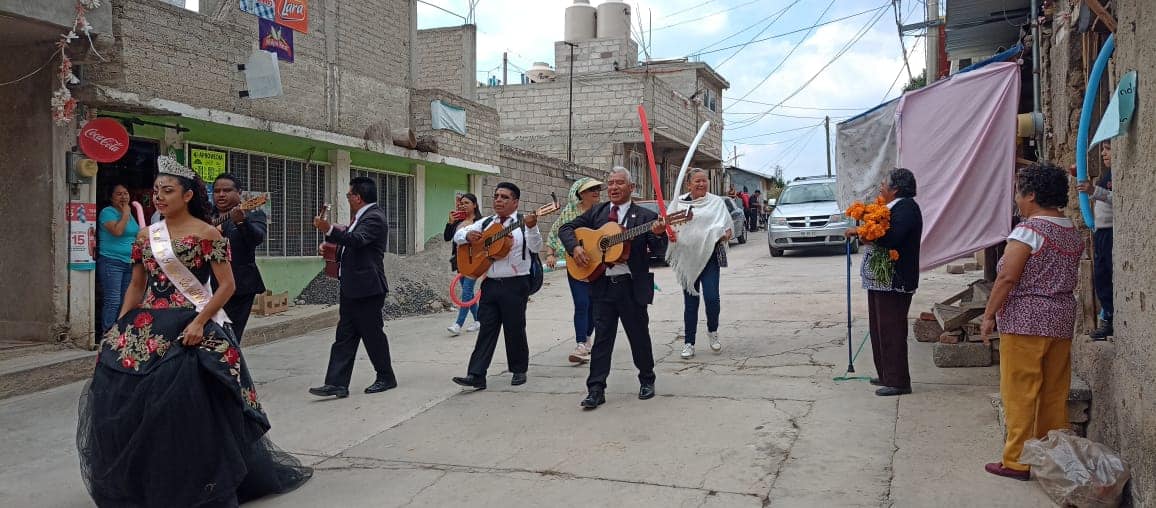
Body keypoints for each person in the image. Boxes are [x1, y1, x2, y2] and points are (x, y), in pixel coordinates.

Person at [77, 156, 311, 507]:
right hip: (148, 324)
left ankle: (198, 478)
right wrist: (119, 326)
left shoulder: (207, 233)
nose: (159, 197)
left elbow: (227, 286)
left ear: (187, 195)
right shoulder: (145, 236)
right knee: (125, 394)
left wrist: (201, 322)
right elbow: (137, 285)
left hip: (192, 319)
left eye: (168, 191)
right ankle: (144, 477)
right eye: (156, 191)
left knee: (187, 402)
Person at [980, 163, 1083, 481]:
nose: (1016, 199)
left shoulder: (1028, 231)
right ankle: (1050, 455)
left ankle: (1017, 461)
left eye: (1018, 192)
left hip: (1026, 321)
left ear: (1032, 195)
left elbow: (1008, 276)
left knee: (1020, 391)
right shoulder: (1070, 230)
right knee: (1054, 391)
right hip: (1061, 319)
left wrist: (988, 316)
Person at [559, 167, 667, 409]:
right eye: (610, 183)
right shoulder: (597, 212)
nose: (614, 187)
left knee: (639, 337)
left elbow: (659, 252)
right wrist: (575, 248)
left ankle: (647, 380)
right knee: (602, 340)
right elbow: (565, 229)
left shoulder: (645, 217)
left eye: (620, 183)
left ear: (632, 188)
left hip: (631, 286)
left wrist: (659, 234)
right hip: (602, 285)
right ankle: (595, 389)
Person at [308, 176, 398, 398]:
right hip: (352, 286)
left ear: (358, 197)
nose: (348, 198)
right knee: (344, 336)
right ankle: (336, 383)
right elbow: (350, 245)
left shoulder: (374, 217)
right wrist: (330, 246)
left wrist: (328, 229)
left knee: (372, 334)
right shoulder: (362, 216)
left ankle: (386, 377)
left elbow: (357, 240)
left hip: (367, 288)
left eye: (349, 194)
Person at [451, 182, 541, 390]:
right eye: (496, 196)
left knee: (514, 328)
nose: (498, 200)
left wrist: (532, 227)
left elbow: (536, 247)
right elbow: (457, 236)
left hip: (516, 283)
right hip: (490, 283)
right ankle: (476, 375)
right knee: (486, 328)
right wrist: (467, 236)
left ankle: (518, 369)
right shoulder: (486, 223)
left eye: (504, 197)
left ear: (515, 202)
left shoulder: (522, 223)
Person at [845, 168, 923, 397]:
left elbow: (891, 238)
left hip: (895, 281)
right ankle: (887, 374)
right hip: (882, 281)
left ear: (895, 188)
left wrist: (863, 233)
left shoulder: (906, 208)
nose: (881, 186)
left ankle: (899, 380)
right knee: (879, 328)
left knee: (892, 330)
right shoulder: (891, 208)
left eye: (884, 183)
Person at [666, 168, 732, 359]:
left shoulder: (716, 202)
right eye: (697, 181)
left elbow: (728, 228)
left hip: (709, 257)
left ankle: (713, 331)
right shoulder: (679, 203)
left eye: (704, 180)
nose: (702, 184)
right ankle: (689, 342)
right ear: (689, 184)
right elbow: (668, 225)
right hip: (688, 259)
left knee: (712, 298)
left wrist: (722, 234)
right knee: (690, 303)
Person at [546, 177, 604, 363]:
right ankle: (580, 343)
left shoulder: (603, 212)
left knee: (594, 306)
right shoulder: (569, 213)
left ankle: (587, 339)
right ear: (581, 194)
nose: (596, 192)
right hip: (576, 266)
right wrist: (550, 254)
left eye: (597, 188)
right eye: (591, 189)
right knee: (581, 304)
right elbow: (556, 232)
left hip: (597, 266)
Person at [212, 174, 267, 343]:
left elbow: (257, 239)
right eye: (217, 191)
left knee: (230, 337)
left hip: (239, 286)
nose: (221, 194)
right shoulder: (205, 216)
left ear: (239, 192)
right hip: (207, 285)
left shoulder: (252, 214)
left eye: (227, 190)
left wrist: (242, 223)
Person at [1076, 141, 1114, 340]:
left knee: (1109, 273)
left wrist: (1094, 192)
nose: (1103, 154)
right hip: (1100, 233)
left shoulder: (1119, 175)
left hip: (1110, 233)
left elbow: (1118, 198)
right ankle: (1107, 315)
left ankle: (1111, 318)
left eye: (1108, 149)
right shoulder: (1105, 176)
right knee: (1101, 276)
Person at [97, 184, 141, 334]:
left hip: (129, 263)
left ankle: (120, 334)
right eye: (119, 194)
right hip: (111, 261)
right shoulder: (107, 212)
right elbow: (117, 231)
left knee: (125, 301)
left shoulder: (130, 214)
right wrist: (126, 213)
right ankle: (107, 334)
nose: (123, 197)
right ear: (111, 197)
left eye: (126, 193)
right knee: (113, 301)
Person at [444, 193, 483, 336]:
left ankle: (458, 324)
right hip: (459, 260)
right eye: (462, 203)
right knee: (469, 293)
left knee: (466, 291)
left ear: (475, 205)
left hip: (474, 261)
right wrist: (450, 222)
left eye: (467, 203)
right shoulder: (457, 221)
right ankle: (479, 320)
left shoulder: (480, 221)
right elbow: (447, 238)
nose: (463, 205)